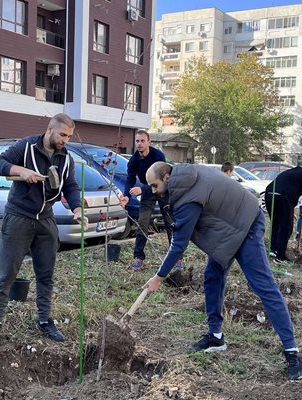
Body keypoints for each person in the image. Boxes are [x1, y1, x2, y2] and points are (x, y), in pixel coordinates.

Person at [143, 161, 302, 381]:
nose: (153, 191)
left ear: (167, 178)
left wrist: (158, 277)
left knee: (263, 285)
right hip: (229, 229)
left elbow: (179, 244)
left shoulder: (187, 197)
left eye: (154, 185)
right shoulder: (187, 176)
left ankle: (292, 352)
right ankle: (216, 337)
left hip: (246, 225)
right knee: (213, 277)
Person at [0, 113, 88, 345]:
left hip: (46, 220)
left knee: (46, 274)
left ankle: (44, 320)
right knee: (6, 275)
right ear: (50, 129)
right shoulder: (26, 146)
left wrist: (78, 208)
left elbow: (69, 185)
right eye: (62, 135)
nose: (65, 140)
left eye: (69, 136)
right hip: (18, 217)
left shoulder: (65, 158)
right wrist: (21, 171)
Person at [119, 130, 177, 271]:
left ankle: (176, 258)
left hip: (163, 191)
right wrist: (126, 195)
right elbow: (130, 179)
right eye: (137, 141)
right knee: (142, 224)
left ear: (149, 142)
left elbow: (162, 180)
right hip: (147, 193)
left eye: (142, 141)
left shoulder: (157, 156)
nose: (139, 144)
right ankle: (138, 258)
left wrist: (142, 189)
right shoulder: (134, 160)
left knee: (170, 224)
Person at [265, 166, 302, 264]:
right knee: (285, 227)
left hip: (269, 192)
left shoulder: (295, 172)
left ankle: (273, 249)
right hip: (282, 196)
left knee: (276, 223)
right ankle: (280, 257)